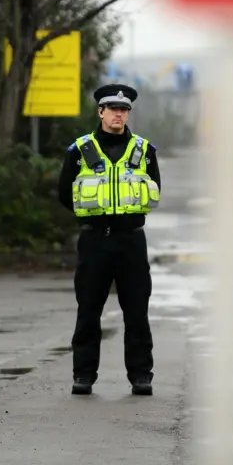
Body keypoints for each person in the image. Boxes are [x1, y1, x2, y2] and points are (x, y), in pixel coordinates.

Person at [58, 83, 161, 397]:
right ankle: (84, 376)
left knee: (136, 311)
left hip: (131, 241)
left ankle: (141, 376)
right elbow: (65, 193)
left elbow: (154, 188)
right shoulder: (80, 150)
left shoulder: (143, 151)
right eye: (113, 109)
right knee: (88, 310)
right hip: (94, 242)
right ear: (100, 112)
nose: (119, 115)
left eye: (124, 110)